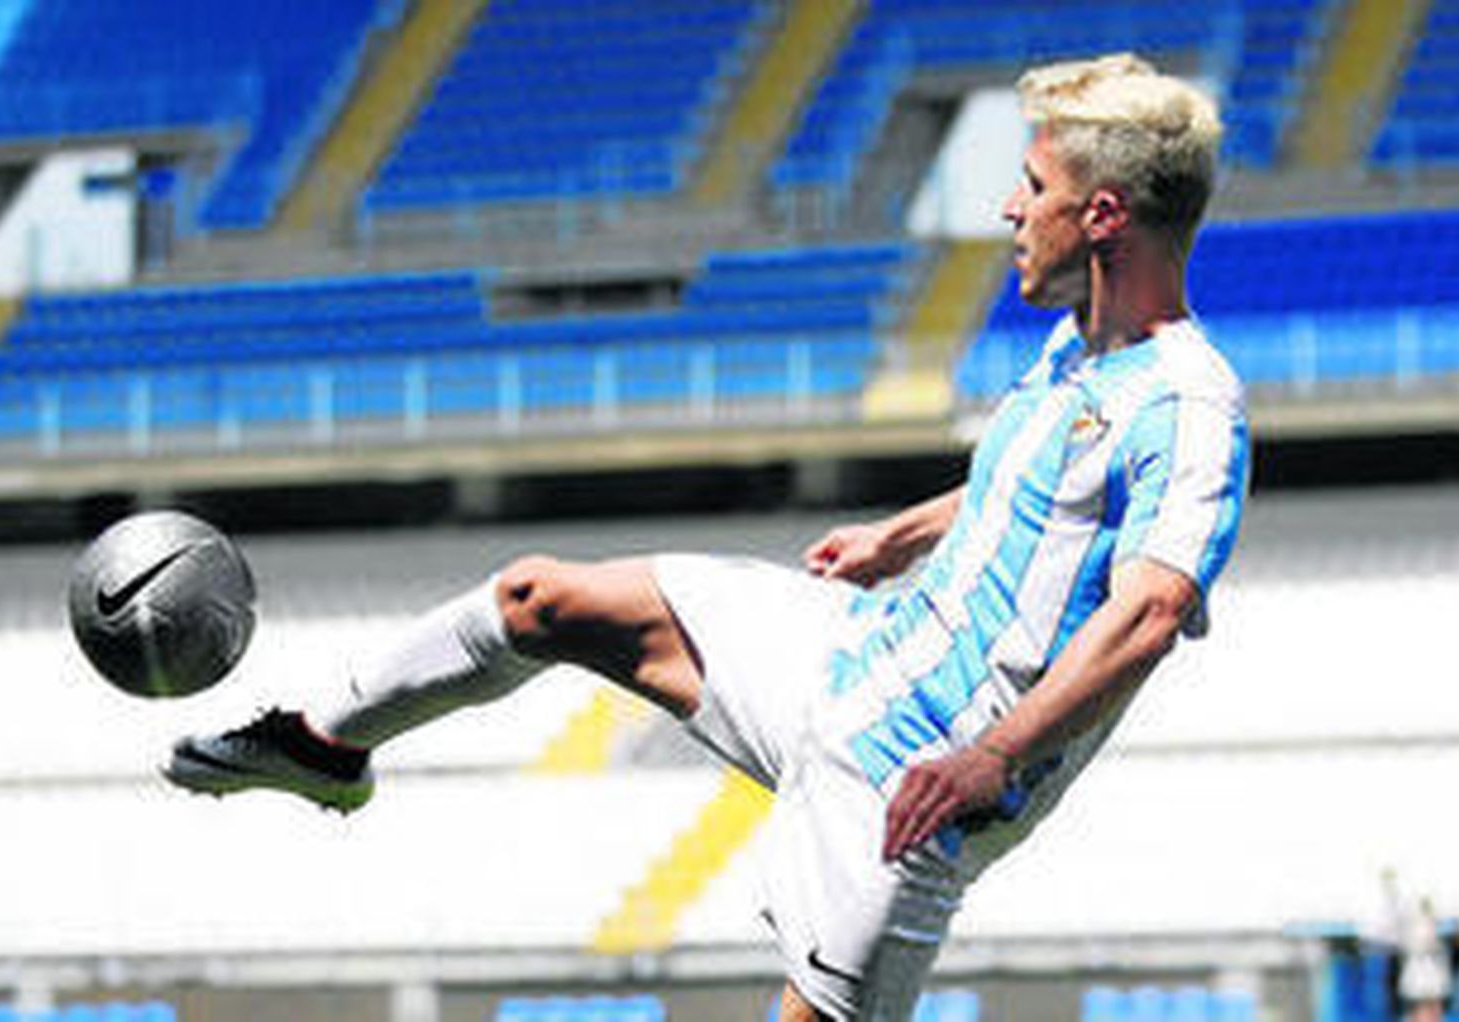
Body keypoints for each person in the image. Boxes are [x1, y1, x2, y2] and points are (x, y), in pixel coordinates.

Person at [163, 53, 1248, 1022]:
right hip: (853, 648)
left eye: (1036, 187)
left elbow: (1146, 611)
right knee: (540, 598)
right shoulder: (1073, 348)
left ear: (1103, 215)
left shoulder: (1190, 402)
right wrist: (896, 536)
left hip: (910, 782)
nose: (1012, 208)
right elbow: (1026, 486)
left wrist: (989, 757)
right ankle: (327, 742)